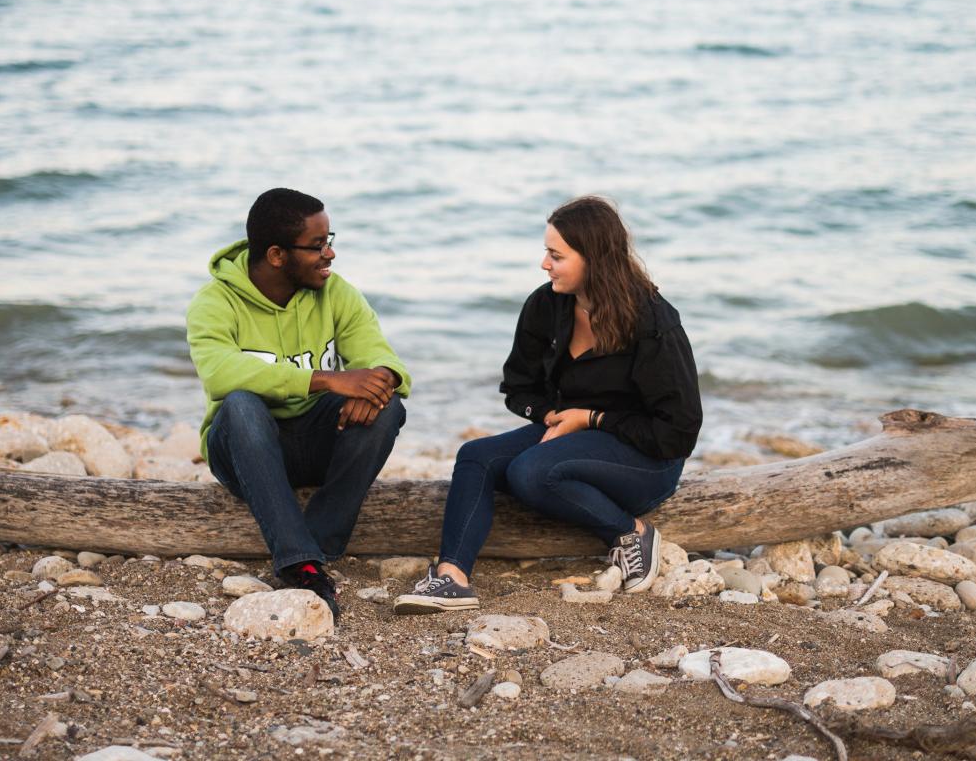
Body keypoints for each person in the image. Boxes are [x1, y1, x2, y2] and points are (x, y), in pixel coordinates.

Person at [395, 196, 702, 614]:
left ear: (594, 258)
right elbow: (517, 387)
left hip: (648, 459)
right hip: (570, 439)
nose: (544, 264)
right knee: (476, 456)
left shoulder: (652, 322)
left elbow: (678, 431)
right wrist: (548, 415)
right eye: (546, 253)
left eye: (556, 255)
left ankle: (632, 533)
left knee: (531, 471)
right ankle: (452, 577)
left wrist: (590, 418)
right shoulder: (546, 305)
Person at [187, 188, 410, 622]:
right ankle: (299, 564)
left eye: (330, 240)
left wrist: (382, 385)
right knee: (240, 404)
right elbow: (219, 374)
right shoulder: (215, 302)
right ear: (276, 254)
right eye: (317, 246)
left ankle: (317, 543)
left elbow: (384, 360)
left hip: (317, 442)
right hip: (246, 449)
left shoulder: (336, 293)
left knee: (388, 407)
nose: (330, 254)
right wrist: (327, 379)